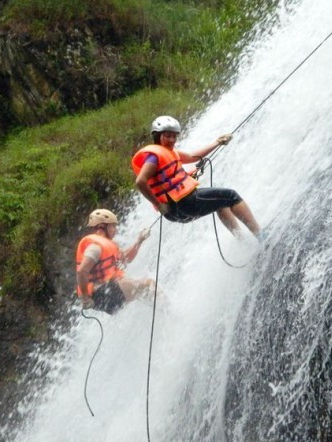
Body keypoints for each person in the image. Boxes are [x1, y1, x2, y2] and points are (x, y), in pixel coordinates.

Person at [131, 115, 262, 239]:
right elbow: (140, 181)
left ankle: (243, 241)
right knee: (231, 196)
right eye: (167, 136)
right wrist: (158, 204)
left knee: (221, 203)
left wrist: (217, 142)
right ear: (158, 135)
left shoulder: (169, 152)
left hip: (173, 212)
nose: (172, 140)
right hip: (183, 203)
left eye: (174, 136)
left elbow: (193, 156)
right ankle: (261, 236)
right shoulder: (153, 156)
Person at [76, 208, 155, 314]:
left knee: (143, 291)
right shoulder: (95, 247)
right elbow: (82, 271)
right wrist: (85, 299)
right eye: (113, 226)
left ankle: (162, 314)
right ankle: (171, 312)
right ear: (102, 227)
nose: (116, 230)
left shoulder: (108, 245)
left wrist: (139, 241)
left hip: (106, 293)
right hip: (103, 293)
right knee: (149, 285)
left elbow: (126, 258)